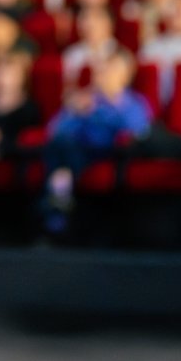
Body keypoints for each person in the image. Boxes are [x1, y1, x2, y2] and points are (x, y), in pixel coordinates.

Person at [41, 48, 152, 230]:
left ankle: (57, 201)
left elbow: (137, 132)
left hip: (112, 154)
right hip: (77, 151)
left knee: (63, 157)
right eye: (102, 69)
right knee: (61, 145)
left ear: (126, 75)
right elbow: (54, 130)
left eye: (112, 69)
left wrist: (98, 112)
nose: (104, 74)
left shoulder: (134, 102)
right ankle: (59, 199)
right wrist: (74, 111)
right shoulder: (84, 98)